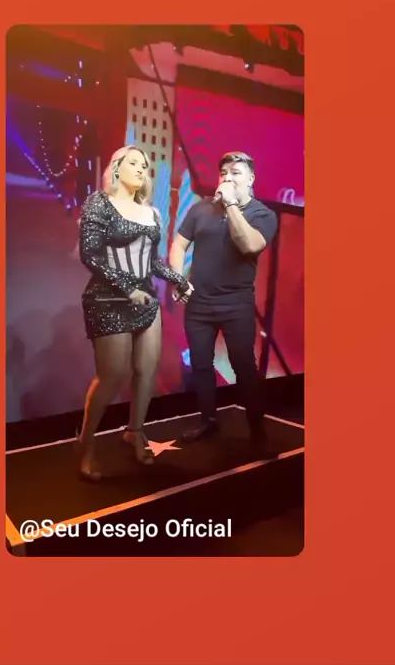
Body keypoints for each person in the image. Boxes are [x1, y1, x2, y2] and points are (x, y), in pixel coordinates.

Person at [77, 145, 193, 481]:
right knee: (112, 376)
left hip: (145, 301)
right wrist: (129, 288)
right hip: (108, 299)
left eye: (145, 165)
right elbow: (90, 255)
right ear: (116, 168)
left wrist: (179, 280)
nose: (142, 169)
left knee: (147, 371)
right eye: (134, 163)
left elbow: (153, 262)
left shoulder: (152, 213)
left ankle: (135, 431)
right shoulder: (100, 202)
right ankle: (86, 445)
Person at [169, 151, 278, 454]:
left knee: (243, 365)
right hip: (199, 305)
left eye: (236, 173)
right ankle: (208, 421)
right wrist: (178, 279)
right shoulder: (201, 209)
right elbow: (178, 245)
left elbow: (250, 245)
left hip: (236, 305)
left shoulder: (262, 214)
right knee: (201, 365)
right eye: (224, 173)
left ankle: (257, 429)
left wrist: (230, 204)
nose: (228, 178)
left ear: (251, 179)